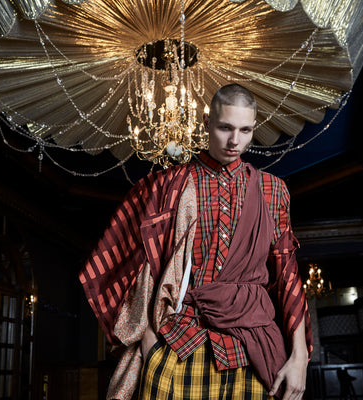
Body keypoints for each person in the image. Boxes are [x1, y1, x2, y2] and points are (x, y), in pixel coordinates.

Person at [79, 84, 312, 400]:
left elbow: (287, 276)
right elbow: (139, 271)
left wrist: (299, 357)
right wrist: (150, 344)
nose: (234, 141)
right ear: (206, 123)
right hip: (178, 346)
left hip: (254, 350)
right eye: (225, 127)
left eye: (245, 130)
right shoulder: (167, 185)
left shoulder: (274, 190)